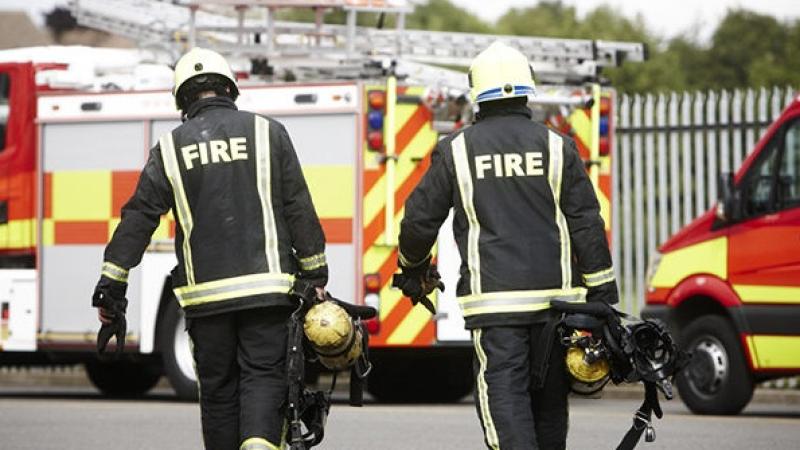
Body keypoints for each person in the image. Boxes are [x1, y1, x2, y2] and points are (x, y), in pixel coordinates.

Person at [91, 47, 328, 450]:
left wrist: (112, 286)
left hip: (206, 300)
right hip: (267, 292)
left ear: (183, 98)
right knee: (263, 376)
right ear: (230, 89)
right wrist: (315, 276)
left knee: (218, 390)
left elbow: (139, 219)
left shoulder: (169, 149)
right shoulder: (267, 132)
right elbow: (298, 208)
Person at [396, 41, 619, 450]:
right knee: (550, 401)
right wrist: (603, 296)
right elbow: (587, 223)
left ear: (476, 95)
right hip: (558, 306)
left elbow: (419, 220)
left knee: (504, 395)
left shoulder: (456, 150)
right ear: (526, 90)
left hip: (496, 306)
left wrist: (412, 268)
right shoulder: (557, 147)